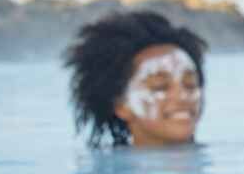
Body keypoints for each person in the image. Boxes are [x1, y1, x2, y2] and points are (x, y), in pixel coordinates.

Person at [63, 11, 207, 148]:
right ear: (120, 105)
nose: (182, 96)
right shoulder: (112, 170)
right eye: (160, 86)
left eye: (190, 85)